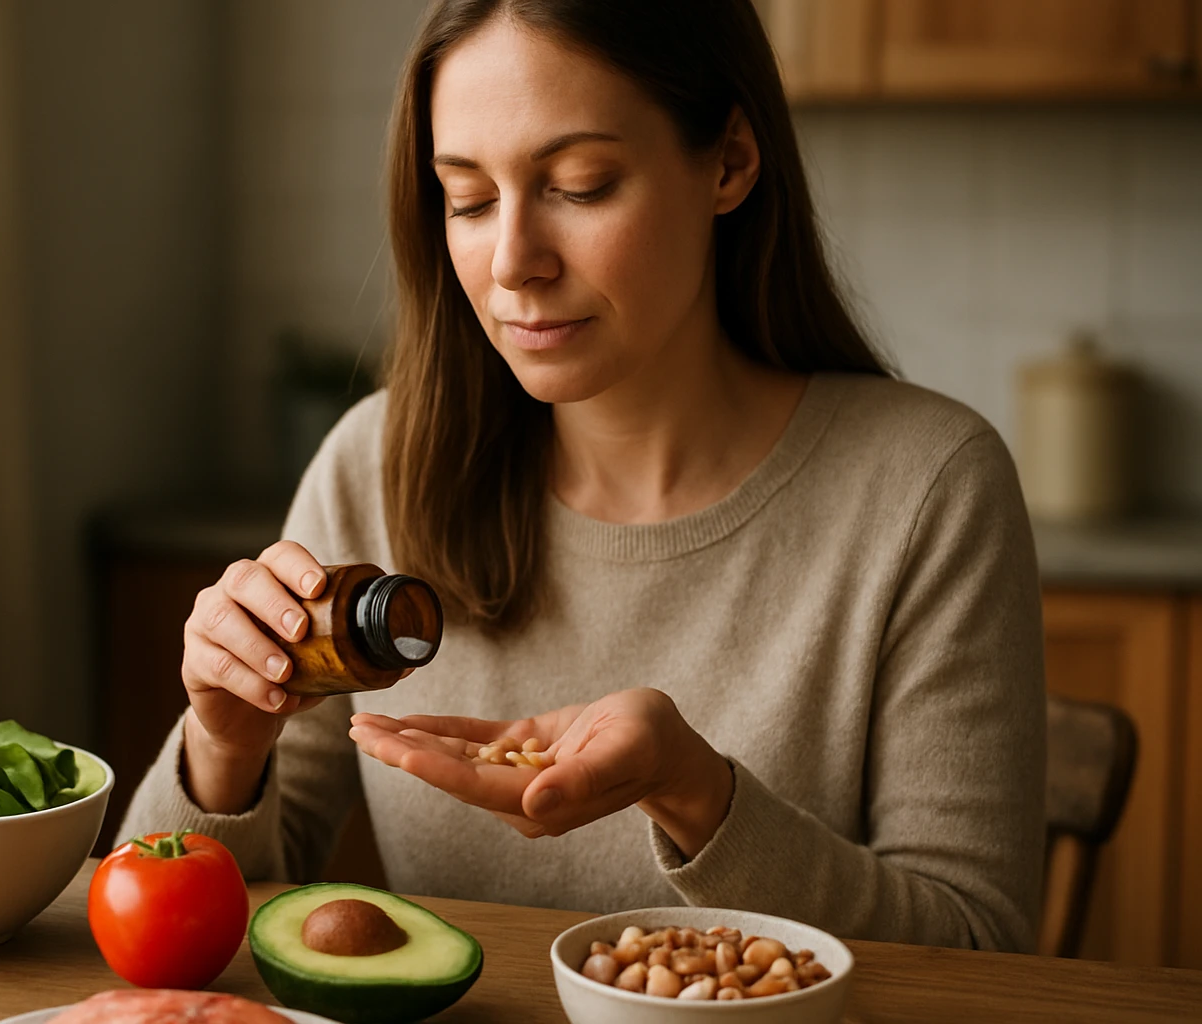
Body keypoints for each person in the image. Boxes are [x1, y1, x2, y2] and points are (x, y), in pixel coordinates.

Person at [121, 0, 1046, 953]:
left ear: (728, 162)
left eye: (580, 185)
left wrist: (699, 794)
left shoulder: (927, 488)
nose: (513, 262)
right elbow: (167, 941)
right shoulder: (376, 465)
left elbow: (977, 951)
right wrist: (223, 752)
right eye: (469, 200)